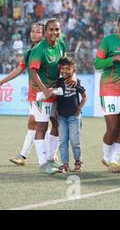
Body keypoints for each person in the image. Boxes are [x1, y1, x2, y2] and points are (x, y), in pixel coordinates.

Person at [94, 14, 120, 173]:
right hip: (109, 88)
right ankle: (106, 157)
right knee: (112, 127)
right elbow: (97, 64)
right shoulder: (108, 41)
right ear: (117, 25)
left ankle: (115, 160)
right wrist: (116, 58)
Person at [1, 23, 45, 165]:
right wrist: (3, 81)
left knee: (38, 123)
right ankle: (28, 156)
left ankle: (31, 156)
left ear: (44, 35)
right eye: (32, 31)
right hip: (34, 94)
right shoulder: (29, 52)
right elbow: (19, 69)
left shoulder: (45, 49)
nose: (34, 34)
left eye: (38, 32)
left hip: (44, 94)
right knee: (36, 123)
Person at [29, 19, 66, 174]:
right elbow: (33, 71)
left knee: (57, 124)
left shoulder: (61, 44)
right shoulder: (39, 49)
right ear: (45, 32)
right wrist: (44, 90)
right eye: (50, 30)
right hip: (40, 94)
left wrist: (71, 77)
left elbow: (65, 63)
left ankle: (51, 158)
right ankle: (43, 163)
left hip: (54, 92)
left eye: (56, 29)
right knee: (42, 127)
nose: (54, 33)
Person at [56, 57, 87, 173]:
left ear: (73, 70)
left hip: (74, 116)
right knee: (63, 142)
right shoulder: (58, 82)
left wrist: (79, 108)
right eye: (62, 68)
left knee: (74, 141)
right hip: (61, 117)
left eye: (68, 69)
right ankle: (65, 164)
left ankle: (78, 161)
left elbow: (84, 96)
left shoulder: (76, 82)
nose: (64, 71)